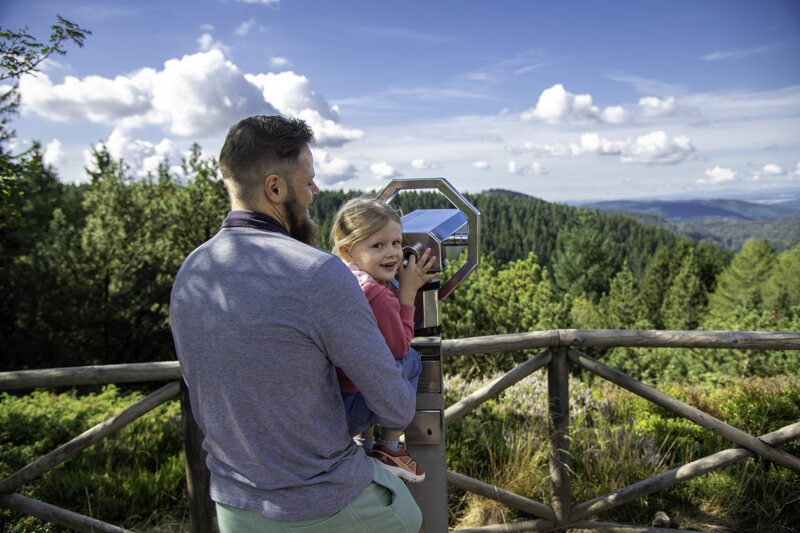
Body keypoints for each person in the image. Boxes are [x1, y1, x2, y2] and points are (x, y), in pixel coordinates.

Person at [170, 115, 423, 533]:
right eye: (308, 183)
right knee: (414, 520)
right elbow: (395, 404)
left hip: (234, 505)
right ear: (275, 188)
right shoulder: (318, 273)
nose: (314, 193)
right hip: (321, 501)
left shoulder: (193, 271)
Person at [330, 198, 437, 483]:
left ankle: (365, 444)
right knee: (411, 360)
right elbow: (399, 347)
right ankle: (390, 446)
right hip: (353, 409)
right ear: (346, 251)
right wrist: (408, 293)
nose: (392, 253)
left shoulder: (340, 281)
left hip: (329, 406)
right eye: (377, 245)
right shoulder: (377, 296)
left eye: (396, 243)